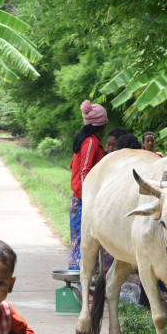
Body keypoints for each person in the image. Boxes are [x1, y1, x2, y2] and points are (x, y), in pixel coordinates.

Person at [69, 100, 107, 271]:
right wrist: (90, 200)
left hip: (81, 198)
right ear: (101, 125)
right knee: (83, 243)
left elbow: (73, 165)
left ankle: (82, 283)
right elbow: (85, 171)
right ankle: (79, 282)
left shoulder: (86, 140)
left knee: (81, 241)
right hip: (84, 200)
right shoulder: (90, 142)